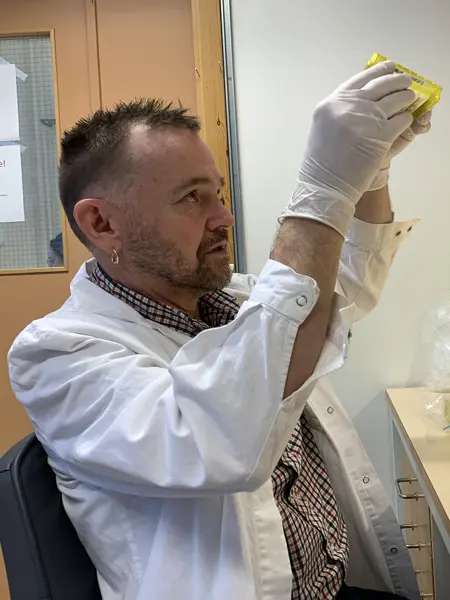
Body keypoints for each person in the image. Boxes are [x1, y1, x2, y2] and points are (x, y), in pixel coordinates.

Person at [8, 62, 432, 600]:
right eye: (192, 197)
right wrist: (322, 189)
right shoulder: (56, 355)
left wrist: (370, 173)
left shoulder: (229, 301)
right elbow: (222, 438)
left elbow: (337, 292)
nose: (224, 217)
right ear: (102, 223)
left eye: (218, 192)